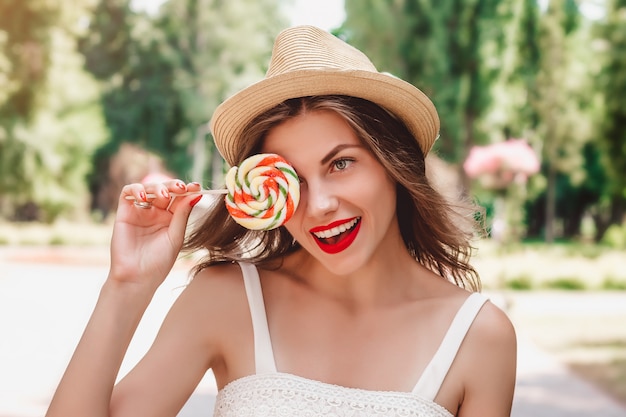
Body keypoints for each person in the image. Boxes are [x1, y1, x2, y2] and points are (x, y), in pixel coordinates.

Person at [46, 25, 516, 417]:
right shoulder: (225, 299)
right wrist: (126, 286)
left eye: (341, 163)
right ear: (265, 192)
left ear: (394, 166)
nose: (319, 205)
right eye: (292, 177)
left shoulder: (479, 337)